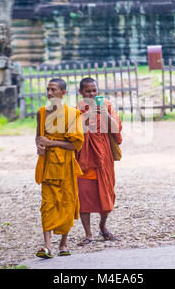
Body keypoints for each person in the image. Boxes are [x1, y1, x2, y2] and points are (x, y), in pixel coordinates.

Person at [34, 78, 84, 258]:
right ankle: (47, 246)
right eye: (47, 89)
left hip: (66, 167)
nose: (49, 93)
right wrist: (40, 146)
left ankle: (63, 243)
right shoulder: (41, 113)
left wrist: (51, 142)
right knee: (47, 204)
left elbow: (75, 146)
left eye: (53, 90)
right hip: (47, 166)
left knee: (67, 202)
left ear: (63, 93)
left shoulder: (73, 114)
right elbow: (38, 137)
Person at [75, 77, 122, 246]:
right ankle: (88, 234)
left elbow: (116, 129)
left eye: (94, 91)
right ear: (81, 93)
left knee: (107, 195)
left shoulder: (107, 106)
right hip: (85, 159)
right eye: (88, 91)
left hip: (104, 158)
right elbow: (75, 131)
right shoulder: (76, 110)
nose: (92, 94)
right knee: (84, 197)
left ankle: (103, 226)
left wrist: (105, 113)